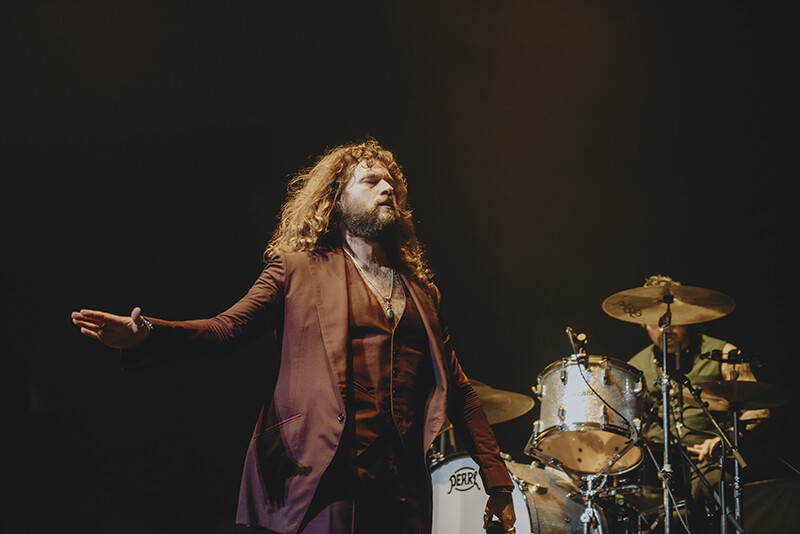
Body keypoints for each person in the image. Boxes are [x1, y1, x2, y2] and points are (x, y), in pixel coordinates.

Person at [70, 138, 516, 534]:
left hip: (403, 490)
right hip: (326, 478)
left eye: (391, 185)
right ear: (336, 201)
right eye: (370, 181)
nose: (387, 189)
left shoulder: (422, 293)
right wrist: (147, 333)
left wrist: (497, 482)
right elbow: (227, 329)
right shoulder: (296, 270)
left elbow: (459, 390)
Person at [627, 274, 768, 529]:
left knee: (713, 488)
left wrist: (724, 440)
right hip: (656, 465)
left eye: (671, 319)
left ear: (687, 315)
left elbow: (759, 409)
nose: (665, 328)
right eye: (655, 322)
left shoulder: (725, 354)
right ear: (643, 324)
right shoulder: (634, 368)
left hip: (706, 461)